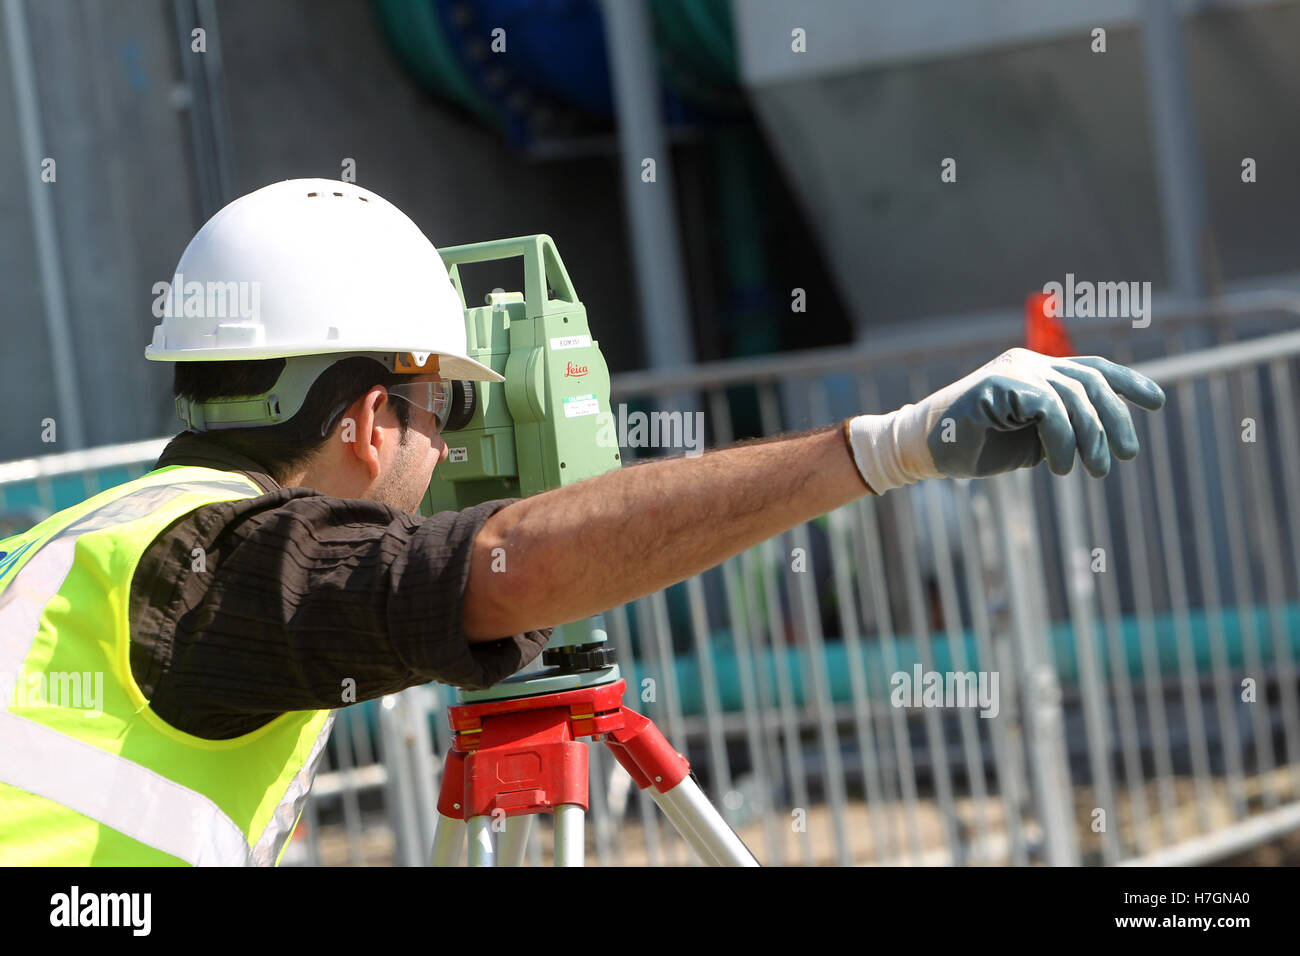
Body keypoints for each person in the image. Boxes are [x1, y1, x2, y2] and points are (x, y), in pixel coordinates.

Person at [0, 178, 1165, 866]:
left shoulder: (86, 546)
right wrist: (884, 446)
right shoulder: (236, 562)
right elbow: (503, 568)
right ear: (367, 417)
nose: (451, 446)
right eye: (442, 406)